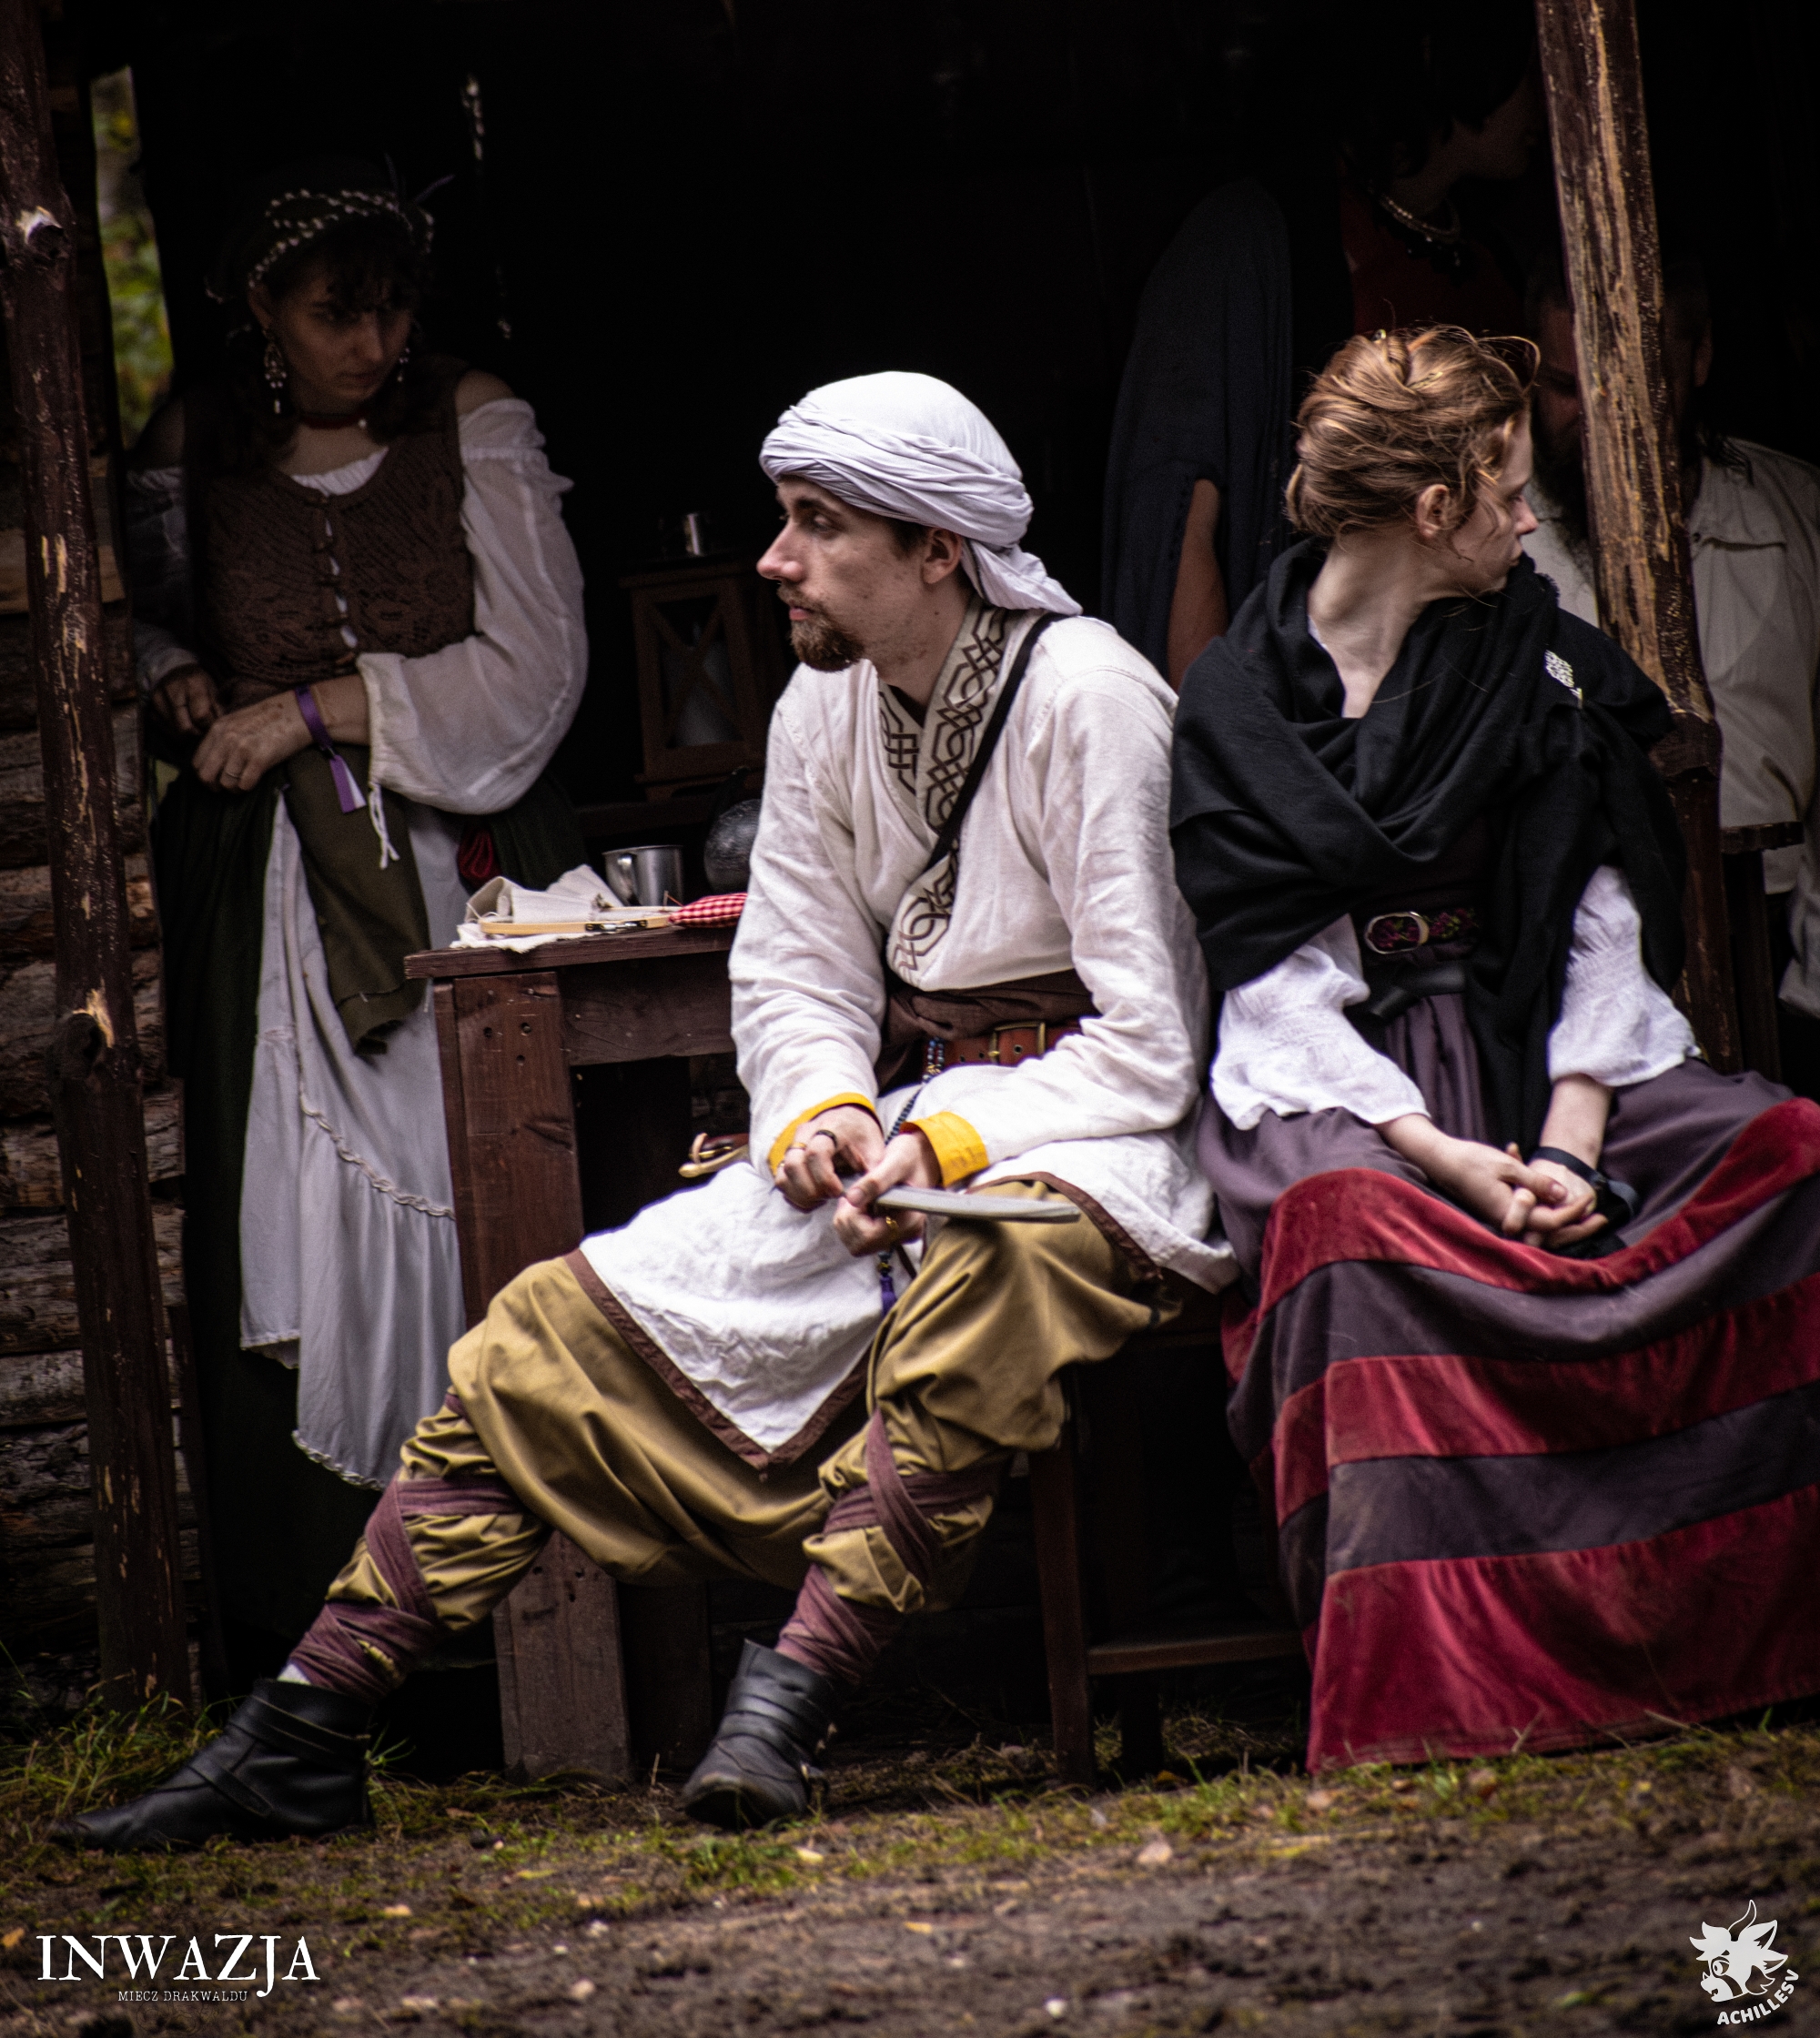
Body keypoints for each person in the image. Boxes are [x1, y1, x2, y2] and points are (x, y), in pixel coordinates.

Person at [68, 369, 1222, 1851]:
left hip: (1098, 1145)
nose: (775, 558)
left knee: (987, 1277)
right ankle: (303, 1728)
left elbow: (1154, 1042)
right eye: (783, 519)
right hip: (909, 1133)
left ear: (940, 548)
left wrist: (946, 1140)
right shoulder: (824, 705)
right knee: (549, 1323)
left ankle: (787, 1707)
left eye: (818, 525)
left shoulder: (1094, 701)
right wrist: (823, 1111)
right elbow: (796, 967)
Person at [1172, 324, 1820, 1771]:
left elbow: (1603, 913)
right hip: (1343, 1081)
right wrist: (1442, 1156)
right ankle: (1443, 1685)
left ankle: (1734, 1633)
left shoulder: (1538, 666)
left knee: (1789, 1153)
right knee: (1350, 1233)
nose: (1531, 522)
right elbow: (1268, 980)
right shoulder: (1237, 707)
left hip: (1547, 1046)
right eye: (1509, 493)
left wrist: (1571, 1143)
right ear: (1434, 508)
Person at [128, 162, 588, 1662]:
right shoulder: (197, 447)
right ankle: (313, 1623)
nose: (374, 343)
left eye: (392, 310)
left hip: (465, 844)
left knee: (487, 1188)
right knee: (288, 1210)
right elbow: (125, 613)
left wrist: (316, 708)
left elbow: (536, 669)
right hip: (272, 900)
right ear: (263, 309)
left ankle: (514, 1624)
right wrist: (171, 674)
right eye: (337, 314)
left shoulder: (472, 420)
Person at [1103, 0, 1545, 687]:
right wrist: (1228, 736)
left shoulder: (1495, 257)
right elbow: (1179, 523)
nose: (1546, 91)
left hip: (1478, 693)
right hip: (1314, 706)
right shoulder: (1249, 245)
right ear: (1442, 54)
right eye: (1525, 58)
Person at [1524, 250, 1820, 1077]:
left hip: (1776, 949)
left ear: (1699, 359)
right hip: (1566, 953)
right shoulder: (1493, 542)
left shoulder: (1799, 515)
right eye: (1565, 387)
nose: (1598, 421)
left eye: (1630, 389)